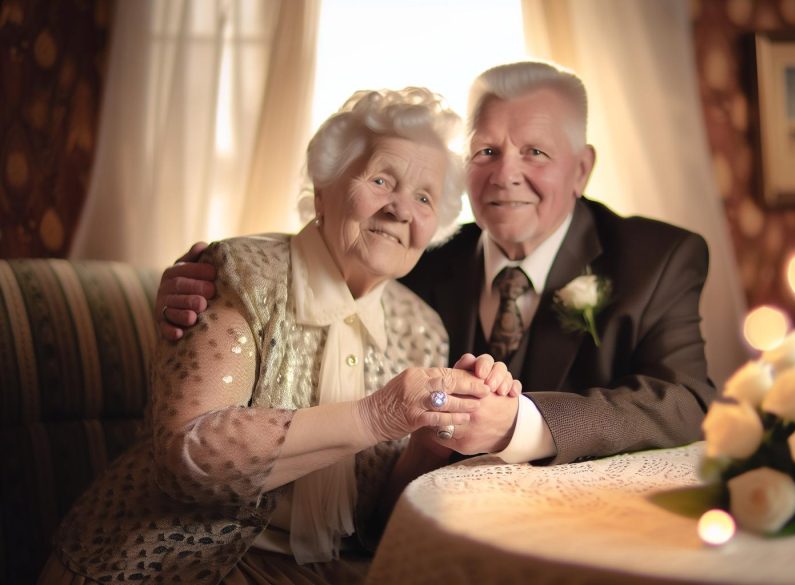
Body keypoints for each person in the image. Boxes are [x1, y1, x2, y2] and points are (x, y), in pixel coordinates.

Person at [40, 87, 518, 585]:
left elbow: (376, 523)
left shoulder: (421, 328)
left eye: (424, 197)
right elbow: (188, 455)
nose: (400, 209)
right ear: (325, 186)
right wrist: (378, 415)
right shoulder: (238, 273)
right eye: (381, 179)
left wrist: (430, 444)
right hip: (180, 559)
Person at [158, 61, 715, 468]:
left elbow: (687, 403)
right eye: (486, 151)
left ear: (581, 169)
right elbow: (318, 256)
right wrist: (203, 278)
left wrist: (523, 424)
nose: (504, 175)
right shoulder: (413, 253)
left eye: (536, 153)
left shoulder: (657, 258)